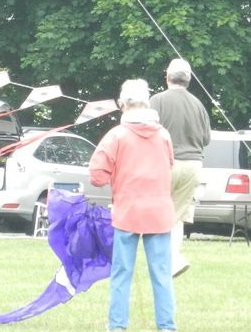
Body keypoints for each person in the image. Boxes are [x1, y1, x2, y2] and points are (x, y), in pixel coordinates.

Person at [89, 78, 176, 332]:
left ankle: (117, 327)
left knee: (121, 275)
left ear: (124, 104)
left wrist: (114, 176)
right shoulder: (163, 135)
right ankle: (167, 327)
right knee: (162, 276)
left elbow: (96, 175)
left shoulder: (117, 135)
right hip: (159, 213)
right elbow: (170, 165)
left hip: (127, 212)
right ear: (146, 102)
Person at [149, 57, 211, 277]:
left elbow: (146, 132)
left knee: (158, 212)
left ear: (166, 77)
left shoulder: (156, 101)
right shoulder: (199, 104)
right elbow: (206, 139)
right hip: (193, 165)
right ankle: (174, 259)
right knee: (178, 216)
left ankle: (164, 260)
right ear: (189, 79)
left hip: (165, 163)